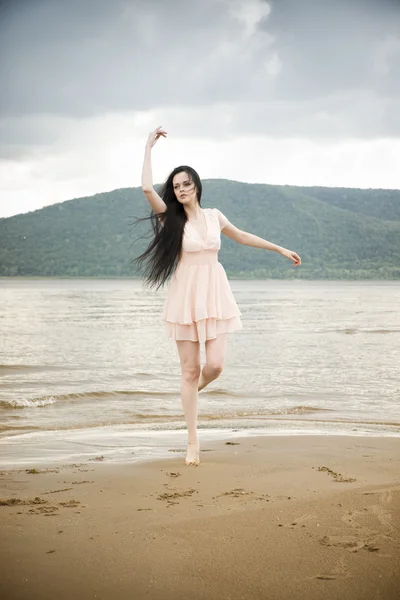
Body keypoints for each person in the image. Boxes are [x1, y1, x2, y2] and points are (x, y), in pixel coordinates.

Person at [137, 126, 301, 467]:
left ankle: (189, 398)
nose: (181, 190)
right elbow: (145, 188)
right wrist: (149, 146)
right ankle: (193, 442)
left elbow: (241, 236)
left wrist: (279, 248)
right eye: (177, 186)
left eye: (186, 184)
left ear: (197, 186)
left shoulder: (214, 216)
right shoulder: (171, 218)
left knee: (215, 365)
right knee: (189, 370)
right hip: (186, 294)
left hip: (214, 291)